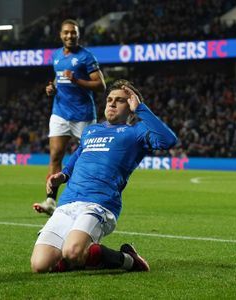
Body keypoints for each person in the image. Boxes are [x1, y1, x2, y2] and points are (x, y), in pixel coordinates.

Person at [30, 80, 178, 273]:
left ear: (131, 105)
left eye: (120, 100)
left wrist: (140, 108)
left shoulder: (137, 132)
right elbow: (78, 156)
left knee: (73, 251)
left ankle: (129, 260)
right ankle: (78, 257)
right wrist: (63, 175)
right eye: (109, 99)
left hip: (99, 203)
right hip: (67, 202)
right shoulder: (91, 130)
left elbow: (169, 140)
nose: (112, 104)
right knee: (39, 265)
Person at [33, 19, 106, 216]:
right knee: (55, 156)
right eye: (66, 33)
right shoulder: (56, 55)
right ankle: (50, 201)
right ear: (60, 34)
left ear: (78, 35)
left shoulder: (86, 57)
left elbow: (101, 85)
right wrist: (52, 88)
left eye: (73, 33)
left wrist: (77, 80)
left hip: (83, 115)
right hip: (60, 113)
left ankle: (90, 199)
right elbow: (58, 79)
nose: (69, 36)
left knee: (88, 158)